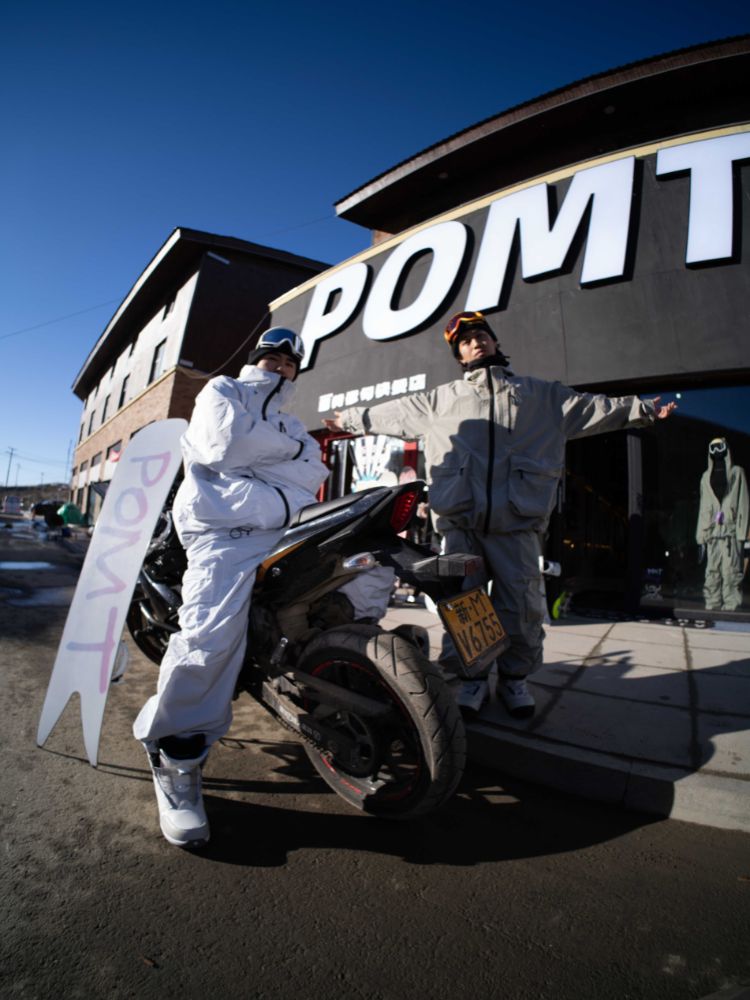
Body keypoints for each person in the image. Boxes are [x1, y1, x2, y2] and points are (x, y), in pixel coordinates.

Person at [324, 311, 676, 720]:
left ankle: (513, 679)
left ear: (494, 342)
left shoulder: (542, 397)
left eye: (481, 335)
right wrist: (348, 419)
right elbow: (390, 413)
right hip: (461, 528)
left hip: (517, 527)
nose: (475, 342)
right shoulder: (438, 401)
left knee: (521, 611)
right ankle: (472, 680)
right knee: (465, 609)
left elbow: (591, 408)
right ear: (459, 355)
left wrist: (642, 410)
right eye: (465, 341)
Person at [133, 328, 329, 849]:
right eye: (271, 356)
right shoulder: (222, 391)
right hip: (224, 528)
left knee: (357, 581)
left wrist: (273, 450)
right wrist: (285, 452)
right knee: (210, 636)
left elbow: (312, 471)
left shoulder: (291, 422)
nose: (279, 365)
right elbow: (223, 446)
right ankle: (175, 754)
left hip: (285, 528)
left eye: (289, 361)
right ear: (255, 359)